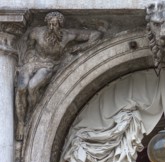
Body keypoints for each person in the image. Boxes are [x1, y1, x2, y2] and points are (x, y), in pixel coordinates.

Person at [15, 11, 102, 140]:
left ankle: (31, 115)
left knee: (32, 87)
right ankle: (21, 123)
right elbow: (25, 44)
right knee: (21, 88)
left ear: (60, 25)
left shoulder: (68, 35)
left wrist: (80, 47)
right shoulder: (37, 32)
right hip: (31, 62)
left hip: (49, 65)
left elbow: (96, 34)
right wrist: (24, 62)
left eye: (55, 25)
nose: (51, 27)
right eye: (49, 24)